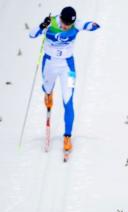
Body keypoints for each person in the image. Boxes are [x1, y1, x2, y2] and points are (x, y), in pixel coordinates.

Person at [29, 6, 100, 156]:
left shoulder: (76, 24)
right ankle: (48, 94)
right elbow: (31, 34)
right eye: (65, 23)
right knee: (47, 88)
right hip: (49, 63)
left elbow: (89, 26)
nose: (66, 26)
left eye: (69, 24)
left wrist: (93, 25)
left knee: (68, 100)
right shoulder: (51, 22)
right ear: (60, 18)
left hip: (67, 66)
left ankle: (67, 136)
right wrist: (42, 25)